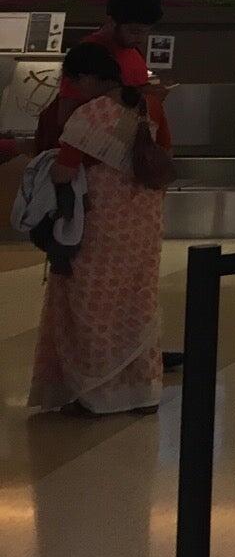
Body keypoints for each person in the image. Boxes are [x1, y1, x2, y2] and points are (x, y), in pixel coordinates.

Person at [30, 43, 170, 417]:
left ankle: (97, 394)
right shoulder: (150, 107)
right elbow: (164, 155)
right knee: (137, 300)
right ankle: (142, 391)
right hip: (143, 222)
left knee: (91, 302)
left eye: (75, 83)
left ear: (89, 78)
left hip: (99, 224)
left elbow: (64, 171)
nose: (75, 91)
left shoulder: (88, 115)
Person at [42, 0, 169, 154]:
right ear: (112, 22)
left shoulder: (133, 51)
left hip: (123, 152)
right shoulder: (89, 53)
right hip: (91, 155)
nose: (141, 38)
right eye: (134, 31)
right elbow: (66, 117)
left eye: (146, 31)